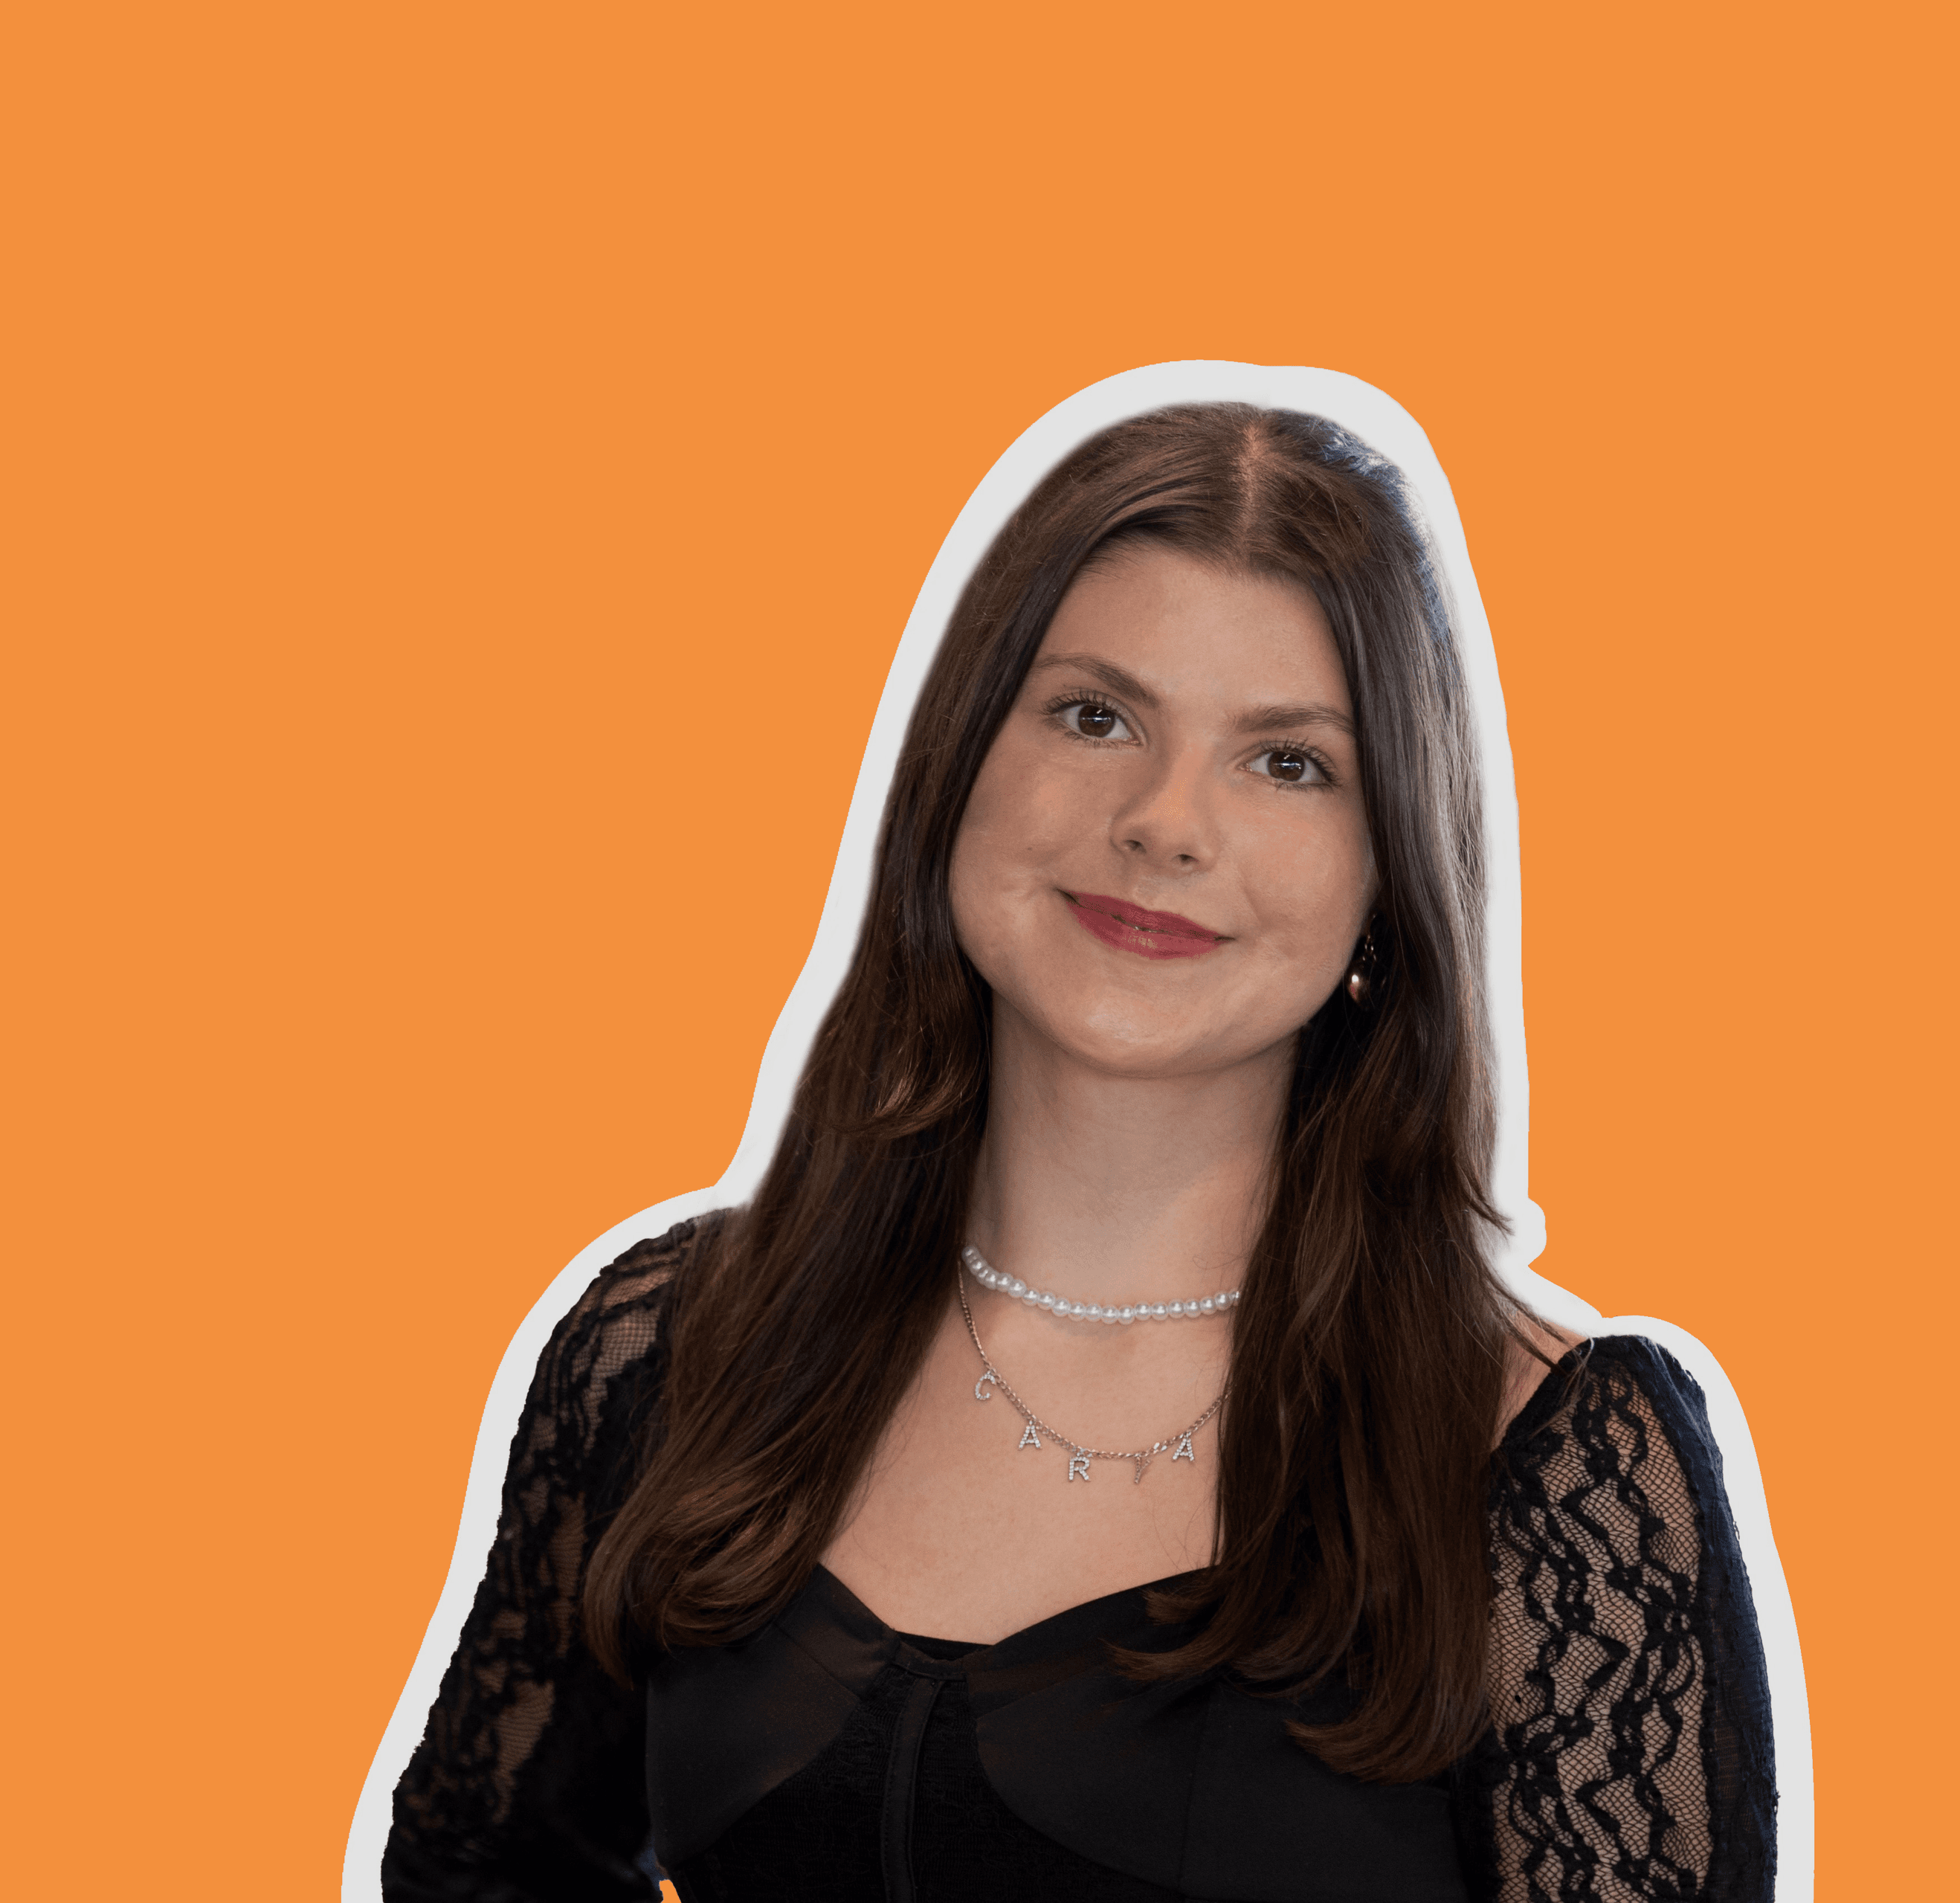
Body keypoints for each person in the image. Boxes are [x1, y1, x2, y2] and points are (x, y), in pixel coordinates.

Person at [381, 401, 1779, 1901]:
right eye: (1095, 716)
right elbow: (479, 1868)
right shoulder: (676, 1351)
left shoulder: (1553, 1467)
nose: (1165, 823)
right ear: (958, 769)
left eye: (1287, 761)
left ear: (1386, 881)